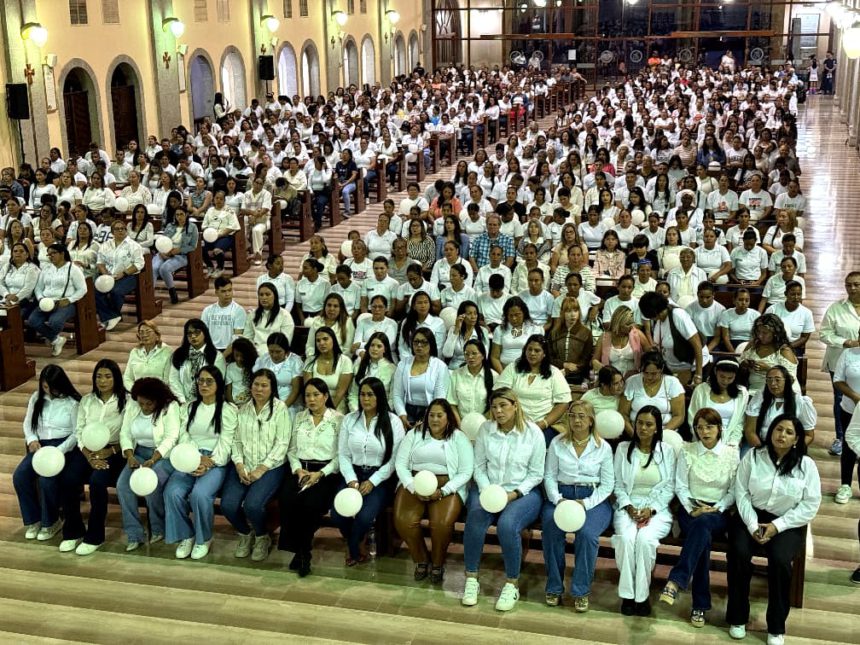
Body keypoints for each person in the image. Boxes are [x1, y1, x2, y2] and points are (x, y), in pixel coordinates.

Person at [727, 415, 821, 644]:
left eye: (789, 432)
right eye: (779, 429)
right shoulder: (754, 456)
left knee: (780, 561)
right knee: (738, 553)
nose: (782, 435)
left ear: (797, 439)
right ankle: (738, 617)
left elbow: (810, 504)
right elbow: (741, 492)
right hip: (751, 515)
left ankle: (776, 626)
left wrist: (776, 526)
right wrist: (751, 524)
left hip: (787, 521)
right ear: (771, 432)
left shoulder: (805, 465)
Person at [461, 387, 546, 612]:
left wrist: (513, 494)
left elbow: (536, 474)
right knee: (475, 519)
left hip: (523, 493)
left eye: (503, 406)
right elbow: (478, 467)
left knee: (507, 526)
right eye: (494, 407)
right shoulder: (485, 429)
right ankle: (471, 578)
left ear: (515, 406)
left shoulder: (533, 432)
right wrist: (489, 492)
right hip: (488, 488)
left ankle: (511, 584)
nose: (498, 411)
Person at [660, 408, 739, 627]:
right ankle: (699, 606)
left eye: (710, 426)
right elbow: (680, 485)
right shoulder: (688, 451)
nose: (705, 431)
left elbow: (734, 490)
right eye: (700, 427)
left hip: (718, 512)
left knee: (703, 527)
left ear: (719, 429)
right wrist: (692, 508)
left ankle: (677, 581)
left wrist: (718, 508)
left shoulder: (732, 453)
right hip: (691, 510)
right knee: (701, 537)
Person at [541, 400, 614, 611]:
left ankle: (581, 591)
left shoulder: (603, 447)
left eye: (582, 416)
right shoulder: (557, 443)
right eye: (572, 416)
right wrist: (558, 500)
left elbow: (608, 484)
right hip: (562, 495)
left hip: (593, 498)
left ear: (591, 420)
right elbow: (549, 476)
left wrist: (587, 503)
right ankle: (554, 586)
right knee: (551, 529)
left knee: (587, 535)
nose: (577, 420)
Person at [393, 398, 474, 584]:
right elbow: (401, 463)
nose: (435, 419)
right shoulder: (415, 434)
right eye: (431, 415)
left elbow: (466, 471)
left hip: (447, 485)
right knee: (403, 521)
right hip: (414, 482)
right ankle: (421, 560)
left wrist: (444, 491)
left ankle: (438, 563)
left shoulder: (458, 437)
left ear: (448, 417)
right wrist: (412, 487)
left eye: (440, 415)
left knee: (441, 523)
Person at [164, 365, 238, 560]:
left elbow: (226, 441)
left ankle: (203, 538)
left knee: (200, 494)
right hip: (189, 456)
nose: (203, 385)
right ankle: (186, 534)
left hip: (215, 460)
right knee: (172, 492)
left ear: (218, 384)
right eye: (200, 381)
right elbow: (183, 435)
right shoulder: (188, 407)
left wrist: (209, 462)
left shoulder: (228, 409)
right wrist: (193, 458)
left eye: (209, 381)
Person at [332, 377, 405, 566]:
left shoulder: (393, 422)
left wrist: (372, 481)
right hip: (353, 473)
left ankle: (354, 545)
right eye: (362, 394)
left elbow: (394, 459)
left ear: (379, 397)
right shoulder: (350, 419)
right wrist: (351, 480)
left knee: (364, 516)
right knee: (337, 514)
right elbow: (343, 454)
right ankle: (355, 541)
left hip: (380, 476)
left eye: (370, 395)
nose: (365, 399)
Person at [58, 359, 128, 554]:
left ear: (116, 378)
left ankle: (95, 536)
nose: (102, 381)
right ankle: (73, 531)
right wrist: (89, 456)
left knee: (98, 482)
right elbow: (79, 431)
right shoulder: (87, 400)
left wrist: (109, 451)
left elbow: (129, 433)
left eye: (107, 376)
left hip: (114, 451)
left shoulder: (126, 401)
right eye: (98, 376)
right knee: (68, 479)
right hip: (88, 450)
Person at [612, 405, 676, 616]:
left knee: (645, 540)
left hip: (657, 509)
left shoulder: (667, 452)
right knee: (626, 539)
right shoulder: (622, 449)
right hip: (627, 506)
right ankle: (628, 596)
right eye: (640, 423)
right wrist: (629, 507)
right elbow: (618, 485)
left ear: (657, 428)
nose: (643, 428)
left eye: (649, 424)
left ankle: (642, 596)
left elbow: (669, 487)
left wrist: (652, 509)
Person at [221, 368, 289, 562]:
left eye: (264, 385)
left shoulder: (280, 409)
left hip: (271, 467)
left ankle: (261, 536)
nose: (259, 389)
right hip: (243, 465)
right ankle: (244, 533)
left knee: (253, 505)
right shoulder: (242, 409)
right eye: (256, 384)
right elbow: (236, 441)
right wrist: (240, 465)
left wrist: (262, 468)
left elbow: (282, 443)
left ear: (271, 388)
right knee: (228, 505)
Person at [278, 378, 344, 577]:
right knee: (287, 499)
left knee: (310, 505)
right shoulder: (298, 417)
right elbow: (291, 449)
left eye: (316, 395)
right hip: (301, 470)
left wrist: (320, 474)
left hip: (325, 473)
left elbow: (342, 454)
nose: (311, 399)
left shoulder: (339, 419)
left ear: (325, 396)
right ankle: (298, 550)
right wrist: (298, 470)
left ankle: (304, 553)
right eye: (308, 395)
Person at [13, 364, 81, 542]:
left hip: (63, 447)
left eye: (52, 387)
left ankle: (51, 521)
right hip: (41, 445)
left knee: (46, 480)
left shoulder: (72, 403)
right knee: (20, 476)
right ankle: (33, 519)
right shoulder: (36, 398)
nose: (49, 391)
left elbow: (76, 433)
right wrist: (32, 439)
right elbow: (28, 423)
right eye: (45, 387)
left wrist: (59, 451)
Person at [116, 377, 182, 550]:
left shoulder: (170, 407)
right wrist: (129, 455)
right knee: (123, 486)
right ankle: (134, 533)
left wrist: (153, 459)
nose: (144, 408)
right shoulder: (133, 405)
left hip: (163, 455)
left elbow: (171, 437)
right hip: (138, 453)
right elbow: (125, 434)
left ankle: (158, 527)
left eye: (149, 404)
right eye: (141, 404)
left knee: (151, 483)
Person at [496, 334, 572, 444]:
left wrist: (543, 424)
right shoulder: (513, 368)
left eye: (537, 351)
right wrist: (512, 420)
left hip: (544, 425)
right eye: (529, 349)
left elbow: (563, 403)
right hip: (513, 422)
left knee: (537, 444)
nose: (532, 353)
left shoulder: (554, 372)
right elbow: (500, 394)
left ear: (544, 354)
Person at [819, 271, 860, 456]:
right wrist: (846, 342)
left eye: (856, 284)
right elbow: (824, 333)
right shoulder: (836, 308)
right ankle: (841, 438)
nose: (852, 288)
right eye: (848, 285)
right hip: (840, 361)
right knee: (840, 400)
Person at [27, 243, 88, 356]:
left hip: (64, 303)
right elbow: (38, 287)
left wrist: (69, 299)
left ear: (62, 254)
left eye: (53, 253)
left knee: (55, 322)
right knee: (33, 320)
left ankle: (51, 337)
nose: (51, 256)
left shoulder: (73, 269)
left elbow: (83, 289)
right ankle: (55, 339)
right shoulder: (46, 269)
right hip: (46, 302)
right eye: (49, 254)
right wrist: (41, 298)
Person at [639, 290, 708, 385]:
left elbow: (697, 344)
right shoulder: (659, 322)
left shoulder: (678, 315)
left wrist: (698, 375)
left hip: (693, 367)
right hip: (675, 369)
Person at [744, 366, 816, 450]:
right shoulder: (760, 398)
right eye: (769, 380)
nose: (773, 384)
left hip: (788, 449)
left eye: (777, 380)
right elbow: (750, 431)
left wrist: (792, 450)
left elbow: (809, 435)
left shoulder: (800, 402)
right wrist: (761, 451)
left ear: (786, 381)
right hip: (760, 445)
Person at [392, 328, 451, 428]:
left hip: (431, 412)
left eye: (424, 342)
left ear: (431, 344)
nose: (419, 345)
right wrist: (402, 415)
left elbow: (439, 398)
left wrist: (427, 419)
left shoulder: (440, 366)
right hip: (406, 411)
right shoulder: (403, 364)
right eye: (416, 342)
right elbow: (397, 395)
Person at [618, 350, 686, 435]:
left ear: (661, 369)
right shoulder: (632, 381)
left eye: (654, 374)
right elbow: (623, 414)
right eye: (646, 373)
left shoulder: (672, 382)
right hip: (636, 433)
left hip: (665, 433)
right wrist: (633, 435)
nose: (649, 377)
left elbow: (679, 416)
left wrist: (662, 434)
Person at [94, 219, 145, 330]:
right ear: (112, 232)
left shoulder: (134, 245)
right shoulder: (106, 245)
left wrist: (124, 273)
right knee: (95, 291)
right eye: (117, 229)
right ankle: (112, 316)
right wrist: (105, 274)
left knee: (116, 291)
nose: (120, 231)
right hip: (108, 276)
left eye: (123, 229)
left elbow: (139, 264)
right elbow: (100, 262)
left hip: (128, 276)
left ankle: (109, 317)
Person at [687, 359, 749, 446]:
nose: (725, 381)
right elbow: (693, 417)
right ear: (715, 372)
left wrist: (733, 443)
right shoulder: (701, 390)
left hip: (730, 440)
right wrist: (703, 438)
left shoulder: (742, 393)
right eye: (722, 377)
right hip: (702, 437)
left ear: (735, 376)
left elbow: (740, 423)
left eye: (730, 378)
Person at [168, 318, 227, 403]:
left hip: (208, 402)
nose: (193, 336)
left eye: (197, 332)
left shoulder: (216, 356)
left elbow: (217, 382)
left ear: (205, 333)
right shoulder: (179, 354)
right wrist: (182, 401)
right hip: (182, 402)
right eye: (189, 333)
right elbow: (173, 380)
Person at [739, 314, 798, 395]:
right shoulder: (753, 345)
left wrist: (769, 370)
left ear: (775, 333)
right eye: (758, 332)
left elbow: (790, 380)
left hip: (776, 392)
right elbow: (740, 366)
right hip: (752, 390)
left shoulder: (784, 350)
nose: (760, 336)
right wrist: (745, 364)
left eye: (765, 333)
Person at [834, 329, 860, 504]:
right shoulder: (848, 353)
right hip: (850, 409)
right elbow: (838, 380)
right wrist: (856, 397)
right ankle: (845, 485)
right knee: (849, 448)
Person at [152, 206, 198, 304]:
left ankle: (172, 292)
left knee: (164, 268)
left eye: (181, 214)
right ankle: (149, 295)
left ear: (186, 214)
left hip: (181, 255)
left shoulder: (192, 227)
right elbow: (162, 241)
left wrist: (179, 250)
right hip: (164, 253)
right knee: (154, 267)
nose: (179, 217)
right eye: (177, 214)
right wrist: (161, 252)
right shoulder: (170, 226)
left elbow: (193, 246)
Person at [303, 326, 354, 412]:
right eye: (318, 340)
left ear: (333, 340)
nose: (321, 343)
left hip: (336, 405)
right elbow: (308, 390)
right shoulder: (310, 361)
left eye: (325, 339)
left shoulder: (345, 361)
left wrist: (328, 412)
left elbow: (340, 393)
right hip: (313, 404)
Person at [490, 296, 544, 372]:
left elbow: (540, 355)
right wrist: (502, 374)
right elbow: (494, 357)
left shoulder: (535, 329)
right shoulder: (499, 330)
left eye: (517, 315)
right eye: (510, 315)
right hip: (505, 370)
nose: (514, 318)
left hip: (528, 370)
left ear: (524, 313)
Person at [596, 306, 650, 379]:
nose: (631, 326)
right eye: (627, 324)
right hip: (611, 379)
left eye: (632, 322)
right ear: (618, 324)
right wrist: (597, 364)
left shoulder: (637, 334)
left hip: (634, 377)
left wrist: (642, 369)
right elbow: (594, 360)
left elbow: (651, 355)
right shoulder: (604, 337)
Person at [347, 332, 396, 411]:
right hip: (360, 412)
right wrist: (357, 412)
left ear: (385, 349)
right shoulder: (358, 365)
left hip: (383, 413)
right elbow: (353, 395)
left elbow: (392, 398)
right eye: (372, 345)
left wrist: (383, 414)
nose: (375, 349)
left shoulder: (392, 369)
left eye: (379, 346)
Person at [252, 332, 303, 406]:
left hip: (288, 404)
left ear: (286, 351)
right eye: (271, 351)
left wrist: (282, 409)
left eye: (278, 352)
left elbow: (295, 391)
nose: (274, 355)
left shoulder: (295, 361)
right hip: (265, 403)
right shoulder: (263, 359)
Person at [243, 282, 295, 353]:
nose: (264, 298)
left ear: (275, 296)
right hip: (254, 352)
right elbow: (247, 338)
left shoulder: (285, 315)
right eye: (261, 295)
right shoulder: (252, 315)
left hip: (275, 353)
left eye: (267, 294)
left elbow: (285, 342)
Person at [200, 190, 241, 278]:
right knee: (200, 247)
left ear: (224, 200)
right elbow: (204, 226)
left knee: (217, 250)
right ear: (213, 199)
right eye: (217, 198)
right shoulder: (210, 210)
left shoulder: (229, 210)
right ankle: (210, 267)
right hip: (210, 236)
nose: (218, 200)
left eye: (221, 199)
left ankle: (220, 268)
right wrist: (209, 233)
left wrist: (220, 234)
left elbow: (233, 226)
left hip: (225, 237)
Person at [201, 276, 246, 351]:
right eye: (223, 291)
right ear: (216, 292)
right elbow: (203, 334)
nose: (227, 294)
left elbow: (237, 338)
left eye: (229, 290)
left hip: (230, 350)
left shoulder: (239, 310)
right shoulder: (207, 310)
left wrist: (222, 357)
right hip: (211, 349)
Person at [304, 293, 354, 358]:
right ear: (325, 306)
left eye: (335, 306)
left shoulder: (347, 322)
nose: (331, 309)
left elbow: (348, 349)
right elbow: (310, 346)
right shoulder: (317, 322)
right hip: (317, 359)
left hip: (339, 362)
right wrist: (314, 360)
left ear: (341, 308)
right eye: (329, 305)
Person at [717, 288, 760, 353]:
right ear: (734, 300)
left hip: (750, 344)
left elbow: (757, 337)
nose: (743, 303)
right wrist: (734, 354)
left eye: (747, 300)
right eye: (740, 300)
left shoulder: (756, 315)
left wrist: (747, 351)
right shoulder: (726, 314)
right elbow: (725, 337)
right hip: (732, 344)